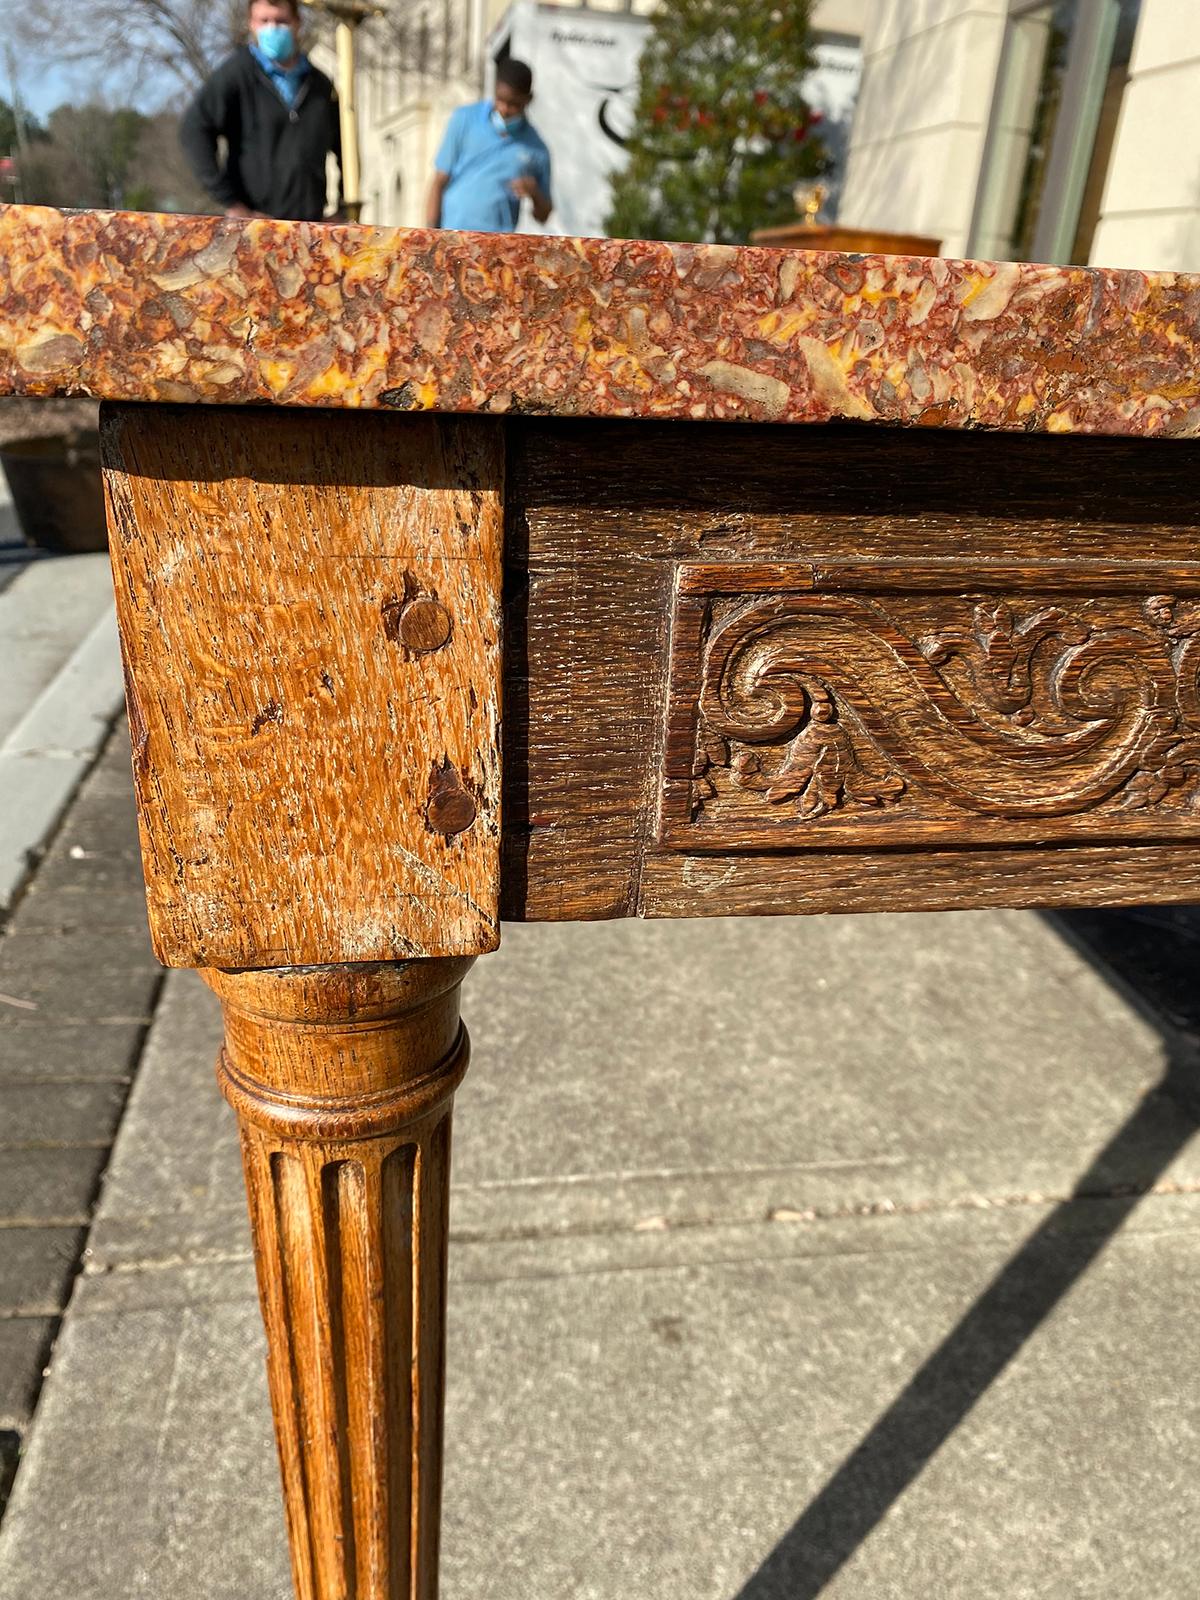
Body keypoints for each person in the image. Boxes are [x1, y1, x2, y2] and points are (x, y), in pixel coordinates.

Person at [180, 0, 341, 222]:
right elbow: (194, 129)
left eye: (281, 21)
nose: (273, 28)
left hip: (309, 227)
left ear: (297, 23)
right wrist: (231, 202)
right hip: (253, 225)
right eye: (264, 21)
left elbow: (345, 146)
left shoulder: (320, 85)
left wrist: (342, 207)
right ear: (252, 25)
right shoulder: (236, 74)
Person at [426, 59, 552, 234]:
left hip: (499, 244)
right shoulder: (464, 119)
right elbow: (439, 181)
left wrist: (534, 193)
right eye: (500, 100)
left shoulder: (536, 148)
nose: (505, 109)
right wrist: (430, 235)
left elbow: (544, 215)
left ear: (528, 100)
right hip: (454, 234)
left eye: (514, 104)